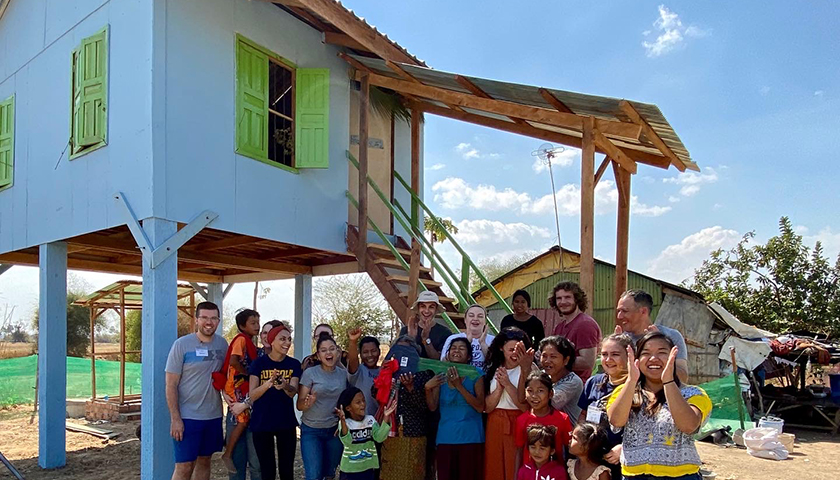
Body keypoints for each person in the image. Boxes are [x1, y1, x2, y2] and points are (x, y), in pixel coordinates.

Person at [606, 332, 712, 480]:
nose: (653, 358)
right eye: (646, 353)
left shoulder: (694, 394)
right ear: (637, 360)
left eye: (662, 353)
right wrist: (631, 381)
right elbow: (616, 420)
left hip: (680, 476)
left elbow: (689, 426)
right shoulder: (624, 392)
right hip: (634, 476)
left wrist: (668, 381)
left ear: (673, 358)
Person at [165, 301, 229, 480]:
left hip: (213, 415)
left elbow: (226, 377)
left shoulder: (222, 345)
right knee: (184, 467)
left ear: (218, 320)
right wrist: (175, 419)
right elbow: (171, 384)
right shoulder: (181, 345)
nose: (209, 322)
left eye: (214, 318)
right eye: (205, 318)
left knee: (205, 461)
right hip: (187, 417)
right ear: (196, 320)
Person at [244, 323, 301, 480]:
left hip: (286, 422)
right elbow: (252, 395)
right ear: (272, 341)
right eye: (282, 339)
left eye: (289, 339)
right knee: (267, 470)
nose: (287, 343)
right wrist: (268, 384)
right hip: (262, 423)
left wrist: (284, 385)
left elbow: (292, 392)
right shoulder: (259, 364)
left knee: (286, 470)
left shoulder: (294, 364)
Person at [424, 337, 486, 480]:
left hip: (471, 438)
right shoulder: (441, 374)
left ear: (469, 356)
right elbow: (432, 407)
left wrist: (459, 386)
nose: (457, 350)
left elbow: (479, 406)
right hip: (446, 438)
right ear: (448, 353)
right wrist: (427, 388)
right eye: (453, 348)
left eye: (462, 348)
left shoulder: (476, 374)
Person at [377, 337, 436, 480]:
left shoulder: (424, 374)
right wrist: (386, 380)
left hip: (414, 432)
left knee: (413, 473)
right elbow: (376, 395)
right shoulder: (387, 371)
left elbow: (426, 407)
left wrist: (410, 388)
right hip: (391, 433)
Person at [577, 334, 631, 480]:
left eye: (615, 354)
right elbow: (583, 414)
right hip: (593, 455)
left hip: (621, 460)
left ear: (629, 355)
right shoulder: (593, 382)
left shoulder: (636, 387)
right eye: (604, 354)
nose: (608, 360)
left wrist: (624, 448)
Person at [484, 327, 532, 480]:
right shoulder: (493, 369)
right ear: (501, 348)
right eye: (511, 349)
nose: (514, 354)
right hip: (495, 421)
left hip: (518, 421)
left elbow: (526, 407)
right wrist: (499, 389)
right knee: (494, 465)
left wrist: (508, 385)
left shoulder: (529, 370)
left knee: (514, 465)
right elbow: (487, 407)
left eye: (519, 350)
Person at [298, 333, 347, 480]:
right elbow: (299, 405)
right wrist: (307, 403)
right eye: (324, 350)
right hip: (311, 431)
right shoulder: (310, 374)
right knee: (313, 475)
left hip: (334, 431)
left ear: (337, 352)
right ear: (318, 355)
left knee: (329, 474)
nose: (328, 353)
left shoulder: (343, 374)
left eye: (332, 349)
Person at [615, 290, 689, 383]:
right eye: (619, 311)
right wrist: (616, 350)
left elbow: (683, 377)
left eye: (624, 311)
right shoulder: (622, 340)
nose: (619, 316)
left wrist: (660, 343)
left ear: (643, 311)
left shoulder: (671, 336)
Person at [221, 309, 261, 473]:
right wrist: (247, 373)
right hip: (235, 384)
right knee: (242, 420)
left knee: (245, 418)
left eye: (258, 322)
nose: (257, 326)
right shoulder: (241, 340)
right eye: (253, 323)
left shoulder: (250, 342)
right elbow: (233, 360)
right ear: (241, 326)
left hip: (241, 384)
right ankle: (228, 453)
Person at [335, 386, 397, 480]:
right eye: (358, 402)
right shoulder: (345, 423)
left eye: (363, 400)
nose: (363, 404)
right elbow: (347, 442)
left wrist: (386, 418)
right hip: (349, 471)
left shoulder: (370, 420)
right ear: (348, 408)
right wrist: (343, 421)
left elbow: (379, 438)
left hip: (369, 468)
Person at [514, 372, 572, 470]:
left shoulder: (562, 419)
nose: (534, 396)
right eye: (530, 391)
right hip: (529, 474)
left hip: (555, 473)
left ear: (550, 394)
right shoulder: (522, 420)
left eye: (540, 391)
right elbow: (519, 451)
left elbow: (569, 449)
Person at [549, 282, 601, 382]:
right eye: (559, 298)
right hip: (559, 381)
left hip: (576, 385)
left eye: (567, 297)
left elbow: (588, 362)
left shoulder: (585, 324)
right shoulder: (559, 327)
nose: (563, 302)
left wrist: (553, 361)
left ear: (577, 299)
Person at [536, 336, 583, 424]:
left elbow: (546, 405)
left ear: (566, 360)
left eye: (553, 357)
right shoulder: (542, 375)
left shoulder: (573, 382)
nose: (547, 361)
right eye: (544, 356)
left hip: (566, 434)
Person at [398, 290, 452, 360]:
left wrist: (426, 339)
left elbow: (439, 360)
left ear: (436, 310)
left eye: (431, 307)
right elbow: (401, 355)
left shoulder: (445, 332)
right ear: (418, 309)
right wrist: (411, 338)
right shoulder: (406, 330)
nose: (426, 311)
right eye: (423, 306)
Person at [439, 304, 495, 369]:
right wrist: (467, 343)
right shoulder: (454, 338)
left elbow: (497, 364)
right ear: (465, 320)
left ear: (485, 321)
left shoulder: (493, 340)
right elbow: (443, 362)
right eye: (471, 315)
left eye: (480, 316)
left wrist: (483, 344)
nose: (475, 319)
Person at [347, 327, 382, 416]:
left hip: (381, 425)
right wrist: (353, 341)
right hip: (361, 425)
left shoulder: (384, 372)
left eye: (373, 351)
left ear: (379, 352)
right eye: (365, 352)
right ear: (360, 354)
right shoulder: (359, 371)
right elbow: (353, 359)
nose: (370, 355)